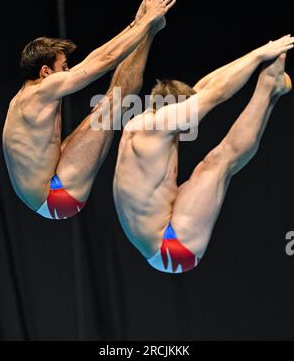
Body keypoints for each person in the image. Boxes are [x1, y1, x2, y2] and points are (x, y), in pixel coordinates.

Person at [113, 36, 294, 273]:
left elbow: (207, 86)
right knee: (221, 161)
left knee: (212, 163)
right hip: (173, 248)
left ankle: (273, 90)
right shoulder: (160, 125)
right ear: (177, 110)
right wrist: (260, 53)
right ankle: (269, 85)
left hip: (159, 233)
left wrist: (252, 55)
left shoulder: (152, 117)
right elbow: (217, 93)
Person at [3, 0, 177, 219]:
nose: (68, 72)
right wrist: (147, 20)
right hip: (56, 196)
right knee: (116, 100)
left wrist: (138, 21)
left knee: (114, 99)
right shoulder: (41, 91)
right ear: (45, 72)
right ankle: (151, 30)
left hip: (48, 184)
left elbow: (99, 56)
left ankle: (150, 29)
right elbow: (104, 61)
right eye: (64, 67)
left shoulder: (23, 98)